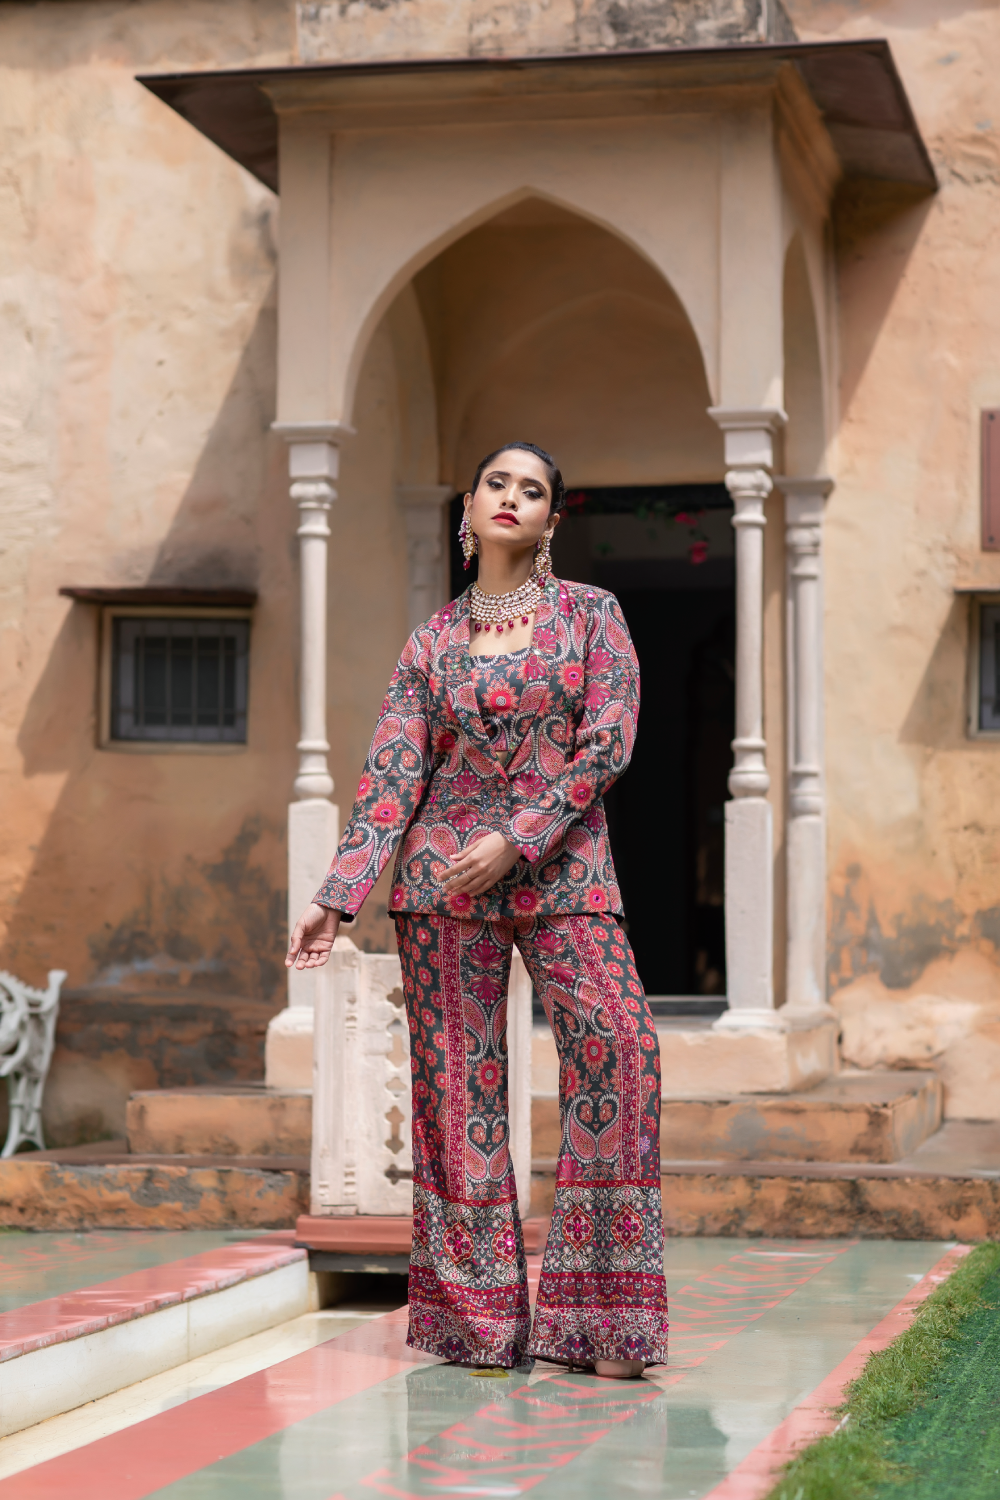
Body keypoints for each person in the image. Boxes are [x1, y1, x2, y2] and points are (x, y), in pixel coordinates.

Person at [286, 441, 669, 1377]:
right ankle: (477, 1325)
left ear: (551, 521)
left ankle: (603, 1324)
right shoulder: (431, 643)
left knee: (621, 1049)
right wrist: (339, 894)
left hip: (566, 871)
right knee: (460, 1098)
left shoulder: (591, 617)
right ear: (469, 505)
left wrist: (522, 835)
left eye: (532, 490)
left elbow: (607, 741)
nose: (512, 497)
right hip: (440, 886)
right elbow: (392, 773)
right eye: (497, 482)